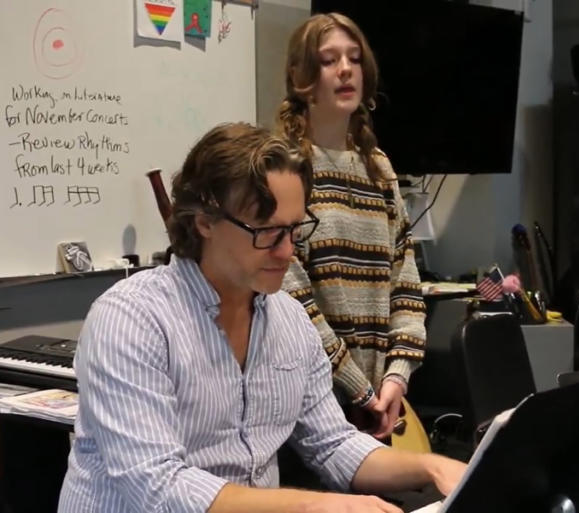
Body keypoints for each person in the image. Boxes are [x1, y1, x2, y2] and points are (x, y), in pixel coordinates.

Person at [57, 123, 466, 513]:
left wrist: (431, 467)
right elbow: (158, 488)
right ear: (204, 222)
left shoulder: (289, 319)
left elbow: (332, 444)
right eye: (267, 233)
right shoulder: (131, 319)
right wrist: (315, 504)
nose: (287, 252)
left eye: (295, 230)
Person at [276, 13, 425, 440]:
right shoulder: (286, 167)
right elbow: (293, 298)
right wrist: (358, 389)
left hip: (382, 403)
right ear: (299, 75)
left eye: (354, 58)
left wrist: (396, 378)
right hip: (312, 407)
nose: (345, 69)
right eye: (328, 60)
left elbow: (406, 282)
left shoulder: (379, 169)